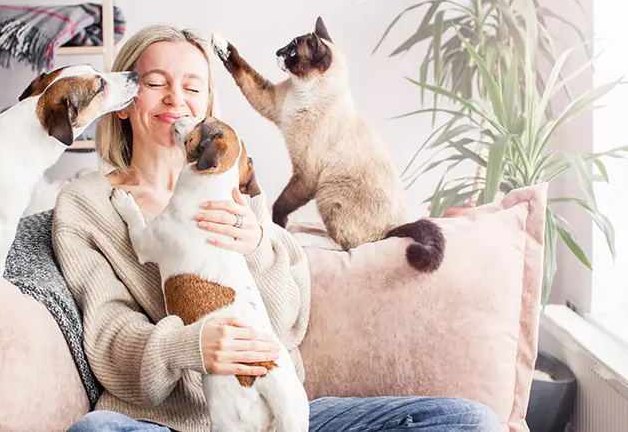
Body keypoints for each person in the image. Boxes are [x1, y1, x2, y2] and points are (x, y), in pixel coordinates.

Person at [53, 24, 501, 432]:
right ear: (125, 101)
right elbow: (109, 343)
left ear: (208, 109)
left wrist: (259, 242)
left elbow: (288, 324)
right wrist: (191, 346)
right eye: (155, 84)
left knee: (469, 422)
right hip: (171, 425)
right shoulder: (86, 205)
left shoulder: (238, 192)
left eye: (193, 87)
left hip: (277, 418)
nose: (175, 99)